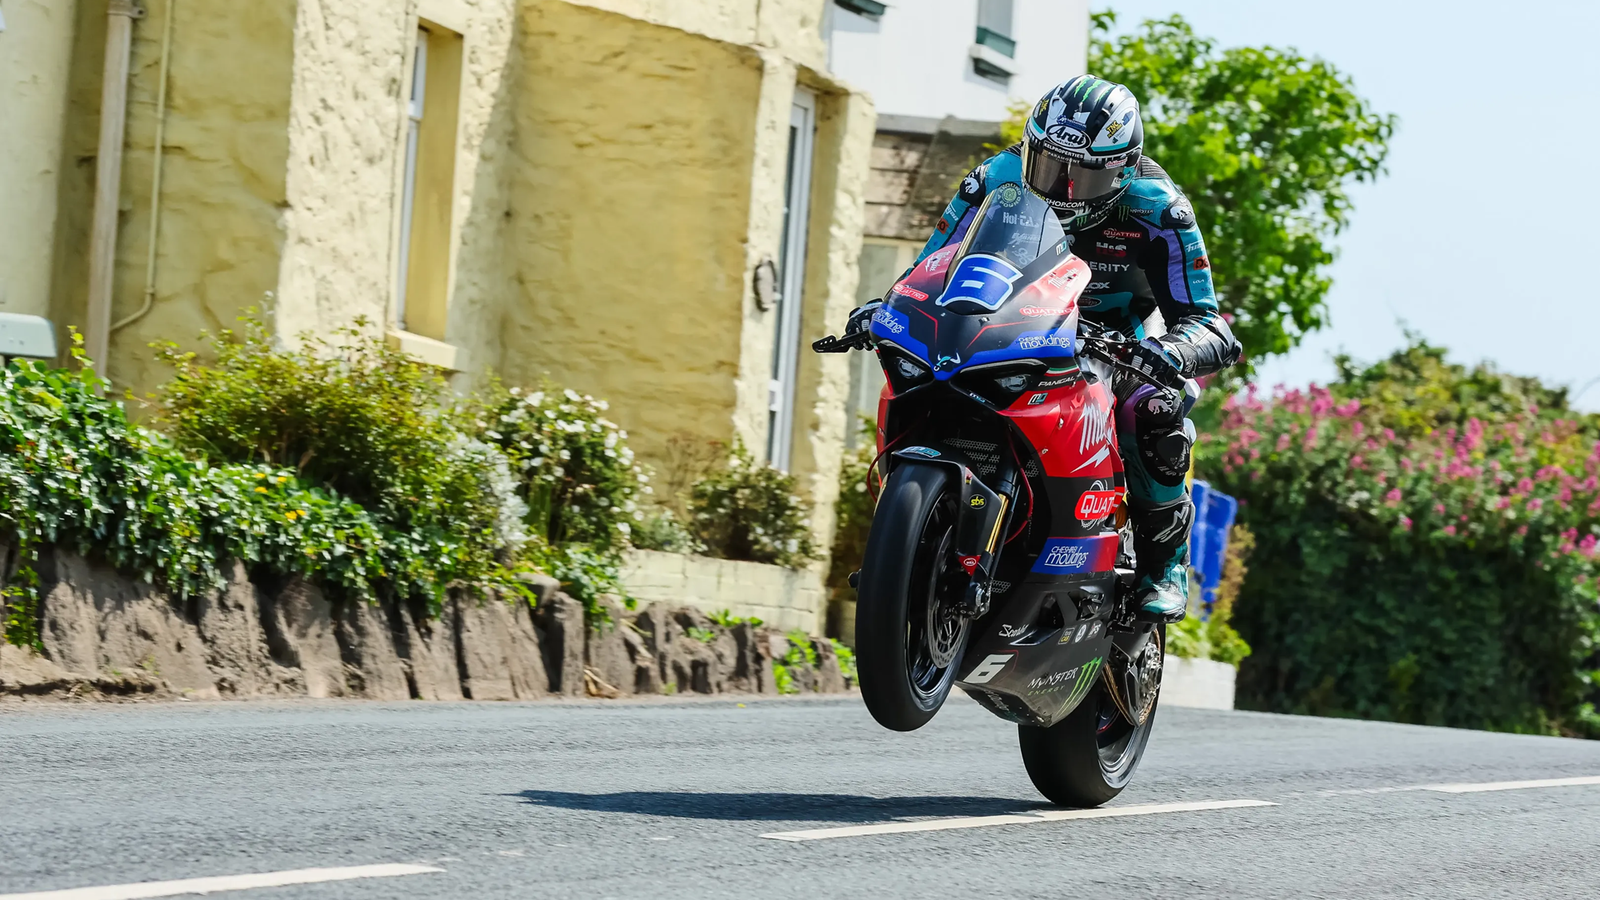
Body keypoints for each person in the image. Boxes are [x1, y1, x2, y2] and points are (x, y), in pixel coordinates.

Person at [846, 75, 1242, 621]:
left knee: (1151, 406)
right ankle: (912, 545)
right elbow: (928, 268)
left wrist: (1170, 352)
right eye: (1049, 165)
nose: (1060, 188)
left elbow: (1209, 323)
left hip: (1113, 344)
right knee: (922, 370)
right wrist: (887, 306)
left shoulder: (1161, 209)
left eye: (1082, 175)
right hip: (1007, 325)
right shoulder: (996, 177)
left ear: (1124, 170)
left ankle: (1163, 562)